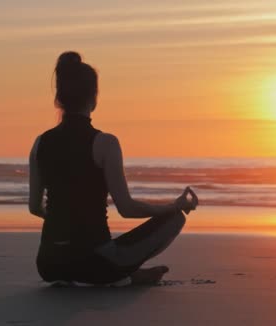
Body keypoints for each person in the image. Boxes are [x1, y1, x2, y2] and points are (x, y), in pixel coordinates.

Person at [28, 51, 198, 286]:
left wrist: (64, 224)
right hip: (96, 264)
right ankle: (126, 273)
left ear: (59, 97)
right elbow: (127, 208)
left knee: (99, 253)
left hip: (49, 264)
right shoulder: (105, 143)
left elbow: (34, 207)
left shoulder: (40, 143)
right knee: (174, 219)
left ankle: (129, 274)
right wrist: (173, 206)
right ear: (93, 97)